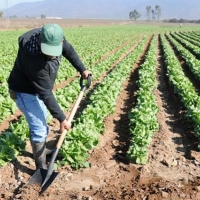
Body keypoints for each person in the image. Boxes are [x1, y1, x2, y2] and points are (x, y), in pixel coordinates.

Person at [7, 23, 92, 170]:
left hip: (35, 89)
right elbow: (45, 92)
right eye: (48, 51)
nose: (52, 55)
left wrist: (82, 69)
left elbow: (69, 51)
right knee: (39, 128)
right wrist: (62, 118)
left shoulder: (55, 37)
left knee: (42, 120)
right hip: (23, 91)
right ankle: (41, 168)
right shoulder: (33, 58)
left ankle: (43, 150)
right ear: (40, 40)